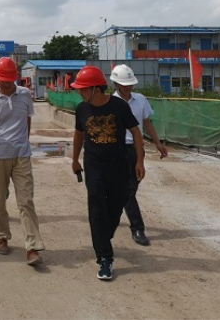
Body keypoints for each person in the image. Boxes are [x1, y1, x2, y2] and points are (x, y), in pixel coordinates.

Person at [70, 65, 145, 281]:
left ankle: (104, 236)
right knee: (96, 208)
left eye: (83, 89)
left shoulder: (119, 106)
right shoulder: (81, 109)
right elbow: (78, 134)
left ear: (95, 89)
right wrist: (74, 159)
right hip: (94, 165)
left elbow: (136, 132)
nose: (79, 92)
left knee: (116, 205)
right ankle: (104, 257)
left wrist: (140, 161)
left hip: (119, 165)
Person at [0, 57, 46, 267]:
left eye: (9, 80)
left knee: (26, 201)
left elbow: (27, 119)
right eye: (2, 80)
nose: (6, 84)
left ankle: (32, 246)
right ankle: (2, 236)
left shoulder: (24, 95)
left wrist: (25, 141)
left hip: (21, 155)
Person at [110, 64, 167, 246]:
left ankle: (114, 212)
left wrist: (158, 143)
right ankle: (138, 228)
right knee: (127, 191)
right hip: (117, 150)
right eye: (124, 84)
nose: (128, 87)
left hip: (136, 150)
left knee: (131, 188)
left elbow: (146, 122)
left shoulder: (141, 100)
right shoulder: (110, 102)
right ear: (116, 83)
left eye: (130, 84)